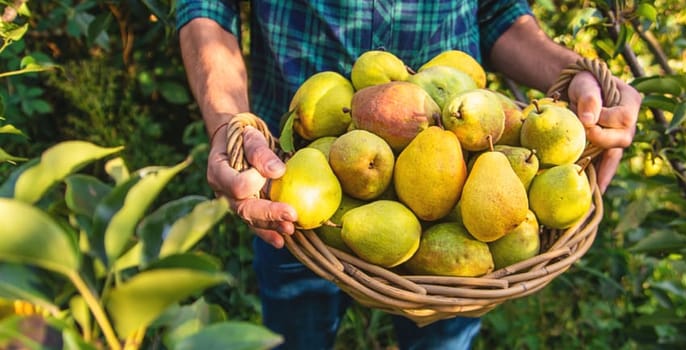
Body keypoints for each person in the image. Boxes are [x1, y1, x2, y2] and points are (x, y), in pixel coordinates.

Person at [175, 1, 641, 349]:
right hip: (286, 171)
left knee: (441, 337)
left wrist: (574, 76)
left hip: (459, 184)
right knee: (295, 333)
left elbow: (500, 14)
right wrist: (229, 123)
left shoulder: (487, 162)